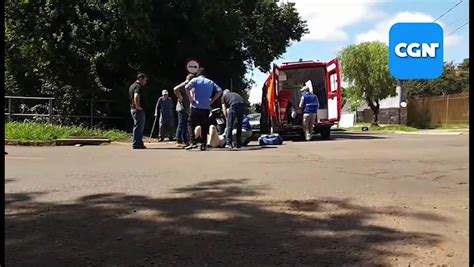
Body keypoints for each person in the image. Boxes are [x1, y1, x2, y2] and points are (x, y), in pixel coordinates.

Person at [185, 68, 223, 151]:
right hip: (206, 108)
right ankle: (203, 145)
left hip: (196, 106)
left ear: (198, 74)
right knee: (204, 126)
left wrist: (191, 98)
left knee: (190, 123)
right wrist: (212, 99)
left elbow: (187, 87)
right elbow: (220, 90)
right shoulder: (210, 82)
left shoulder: (195, 80)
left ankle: (192, 142)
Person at [173, 74, 195, 147]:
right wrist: (180, 97)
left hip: (185, 108)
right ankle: (178, 140)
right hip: (181, 107)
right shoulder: (186, 83)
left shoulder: (189, 85)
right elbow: (175, 89)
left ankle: (184, 140)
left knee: (185, 124)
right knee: (181, 124)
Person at [129, 73, 148, 149]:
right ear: (140, 79)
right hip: (137, 110)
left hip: (133, 108)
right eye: (145, 80)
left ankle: (139, 142)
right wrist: (138, 106)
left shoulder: (132, 86)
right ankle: (137, 143)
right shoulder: (138, 86)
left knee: (137, 126)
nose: (145, 82)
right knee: (139, 127)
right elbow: (136, 96)